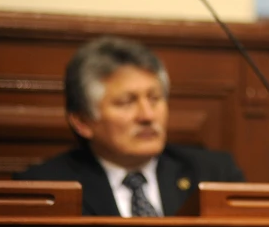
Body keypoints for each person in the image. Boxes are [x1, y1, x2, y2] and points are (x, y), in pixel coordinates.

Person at [14, 36, 245, 216]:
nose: (147, 115)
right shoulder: (47, 191)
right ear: (82, 121)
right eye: (126, 102)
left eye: (155, 99)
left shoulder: (214, 175)